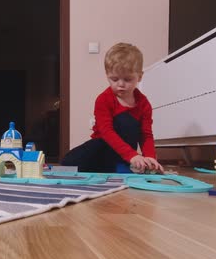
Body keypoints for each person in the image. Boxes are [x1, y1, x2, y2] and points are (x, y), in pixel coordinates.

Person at [61, 42, 164, 173]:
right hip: (103, 146)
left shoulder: (144, 103)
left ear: (140, 76)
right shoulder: (103, 99)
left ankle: (118, 166)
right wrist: (132, 155)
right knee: (68, 162)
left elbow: (146, 135)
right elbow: (107, 133)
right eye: (114, 79)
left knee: (134, 165)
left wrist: (150, 157)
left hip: (125, 152)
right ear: (107, 75)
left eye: (127, 79)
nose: (120, 84)